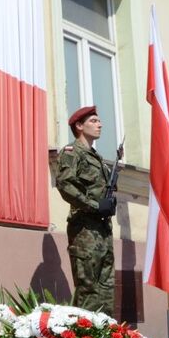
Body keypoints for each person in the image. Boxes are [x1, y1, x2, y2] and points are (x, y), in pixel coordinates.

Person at [54, 105, 117, 317]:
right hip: (85, 231)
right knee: (88, 288)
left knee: (105, 289)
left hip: (102, 230)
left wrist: (108, 203)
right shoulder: (72, 153)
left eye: (99, 121)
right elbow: (65, 184)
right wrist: (95, 205)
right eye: (94, 121)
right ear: (79, 126)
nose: (100, 124)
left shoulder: (97, 158)